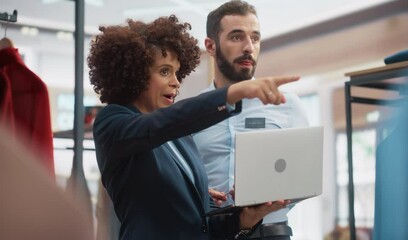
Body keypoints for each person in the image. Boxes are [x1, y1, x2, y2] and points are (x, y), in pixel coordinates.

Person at [87, 14, 300, 239]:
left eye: (177, 72)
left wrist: (244, 217)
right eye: (164, 71)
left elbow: (199, 226)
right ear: (135, 74)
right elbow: (159, 125)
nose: (176, 82)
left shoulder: (180, 138)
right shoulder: (112, 123)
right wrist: (234, 92)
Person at [193, 1, 309, 239]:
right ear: (210, 45)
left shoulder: (288, 105)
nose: (248, 47)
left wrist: (271, 198)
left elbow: (305, 179)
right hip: (210, 232)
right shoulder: (193, 112)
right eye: (236, 37)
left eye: (255, 38)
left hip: (271, 232)